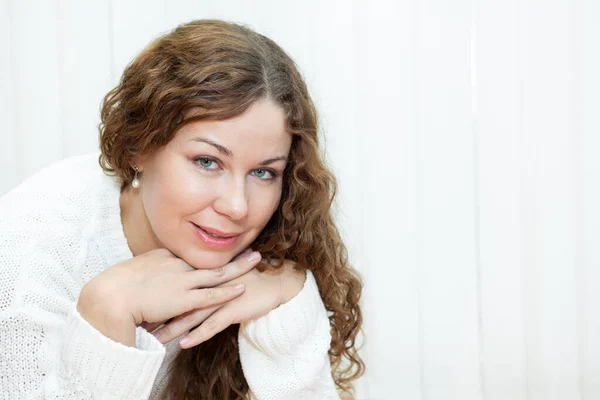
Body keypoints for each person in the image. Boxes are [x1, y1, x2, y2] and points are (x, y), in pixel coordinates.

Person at [0, 19, 364, 399]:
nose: (237, 207)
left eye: (263, 172)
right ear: (137, 148)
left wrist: (289, 308)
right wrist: (106, 316)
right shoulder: (27, 263)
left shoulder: (265, 260)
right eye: (207, 162)